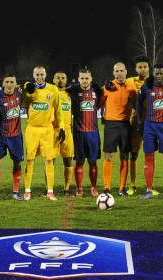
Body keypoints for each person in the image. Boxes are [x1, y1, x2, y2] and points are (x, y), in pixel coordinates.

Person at [137, 64, 163, 199]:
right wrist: (139, 122)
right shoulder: (146, 86)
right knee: (149, 156)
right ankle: (148, 190)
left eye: (161, 73)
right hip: (150, 125)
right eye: (156, 73)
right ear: (153, 74)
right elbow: (138, 103)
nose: (159, 76)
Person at [22, 65, 64, 201]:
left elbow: (58, 111)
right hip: (32, 129)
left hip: (47, 130)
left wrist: (61, 127)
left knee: (49, 160)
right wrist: (26, 88)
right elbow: (22, 102)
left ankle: (50, 191)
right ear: (33, 76)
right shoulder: (29, 90)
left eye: (42, 75)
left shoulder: (53, 89)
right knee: (30, 160)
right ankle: (27, 190)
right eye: (37, 75)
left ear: (45, 75)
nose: (39, 77)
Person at [0, 73, 25, 201]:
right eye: (7, 82)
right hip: (0, 136)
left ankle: (16, 191)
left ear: (15, 83)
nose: (9, 84)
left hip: (16, 136)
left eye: (11, 82)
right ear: (3, 84)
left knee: (17, 163)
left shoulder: (19, 94)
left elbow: (28, 91)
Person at [100, 62, 136, 195]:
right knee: (108, 156)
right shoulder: (107, 87)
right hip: (111, 124)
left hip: (125, 125)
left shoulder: (131, 88)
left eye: (122, 71)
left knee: (124, 156)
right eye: (117, 71)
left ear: (126, 72)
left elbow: (136, 104)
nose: (119, 73)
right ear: (113, 73)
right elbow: (98, 103)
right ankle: (107, 188)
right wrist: (100, 91)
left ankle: (122, 188)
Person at [69, 66, 103, 197]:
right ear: (78, 79)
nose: (84, 80)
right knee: (79, 162)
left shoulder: (97, 91)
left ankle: (93, 188)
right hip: (78, 133)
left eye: (86, 78)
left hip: (93, 132)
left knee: (93, 161)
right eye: (82, 78)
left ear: (91, 78)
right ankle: (80, 189)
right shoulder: (73, 91)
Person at [127, 55, 150, 195]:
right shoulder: (130, 81)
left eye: (145, 67)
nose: (142, 69)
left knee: (150, 154)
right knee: (133, 154)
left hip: (152, 123)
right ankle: (132, 185)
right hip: (135, 122)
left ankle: (149, 186)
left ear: (149, 68)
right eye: (140, 67)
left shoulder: (154, 81)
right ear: (136, 68)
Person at [53, 71, 76, 195]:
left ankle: (66, 188)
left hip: (67, 130)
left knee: (68, 160)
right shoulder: (50, 93)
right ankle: (49, 189)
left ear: (66, 80)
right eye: (58, 78)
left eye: (63, 78)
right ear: (53, 80)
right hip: (52, 131)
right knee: (50, 161)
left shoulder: (70, 95)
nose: (60, 80)